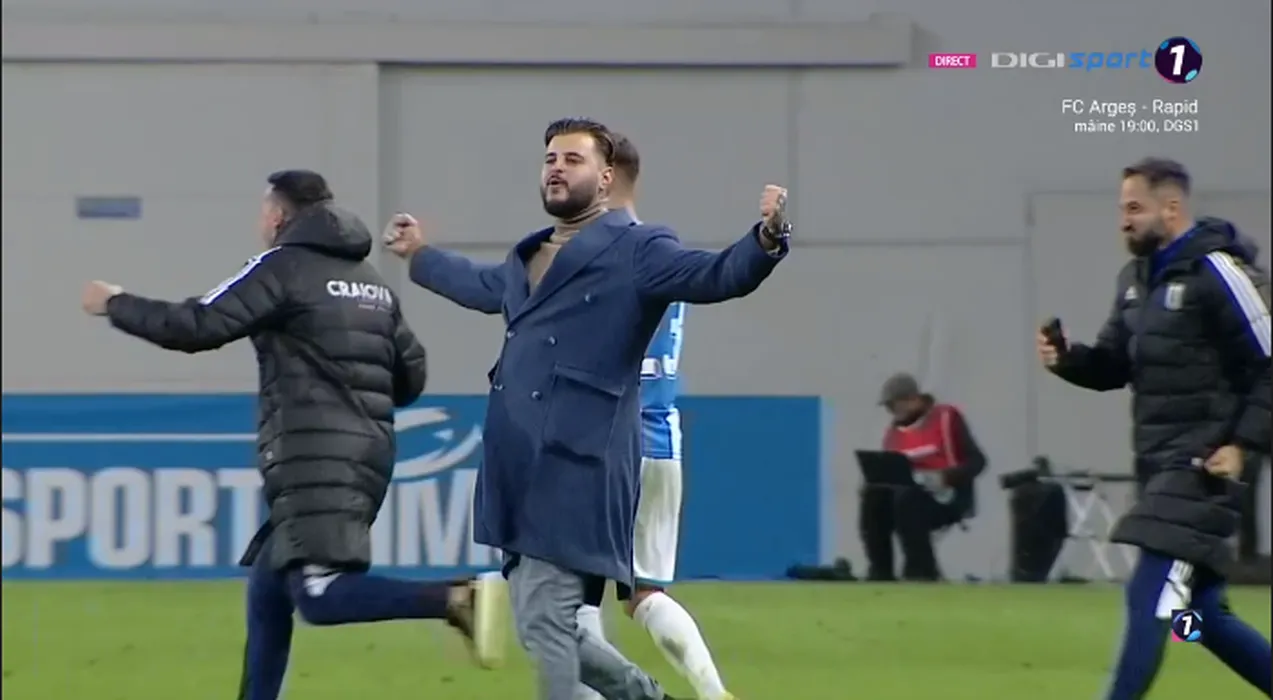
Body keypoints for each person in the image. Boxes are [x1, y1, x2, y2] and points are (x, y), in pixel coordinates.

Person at [384, 117, 789, 700]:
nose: (556, 167)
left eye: (572, 159)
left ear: (605, 178)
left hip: (581, 465)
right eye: (550, 158)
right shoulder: (531, 254)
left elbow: (716, 275)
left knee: (549, 623)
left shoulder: (639, 248)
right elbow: (479, 285)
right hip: (517, 466)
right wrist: (419, 255)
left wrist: (766, 240)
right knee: (543, 625)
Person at [78, 170, 502, 700]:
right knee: (269, 586)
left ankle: (454, 599)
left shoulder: (282, 267)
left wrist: (116, 303)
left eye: (263, 212)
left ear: (279, 216)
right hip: (368, 450)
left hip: (314, 453)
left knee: (318, 594)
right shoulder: (372, 283)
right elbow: (410, 378)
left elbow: (197, 325)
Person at [1037, 157, 1271, 699]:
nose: (1124, 220)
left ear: (1171, 208)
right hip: (1159, 464)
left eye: (1135, 208)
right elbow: (1114, 365)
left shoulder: (1221, 272)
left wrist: (1242, 445)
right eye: (1121, 209)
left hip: (1205, 467)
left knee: (1149, 596)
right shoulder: (1135, 283)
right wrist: (1068, 358)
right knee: (1202, 617)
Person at [571, 134, 735, 700]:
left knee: (573, 593)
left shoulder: (598, 259)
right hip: (662, 440)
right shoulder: (666, 255)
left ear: (606, 177)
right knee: (645, 595)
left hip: (604, 444)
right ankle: (714, 693)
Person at [860, 373, 986, 582]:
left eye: (893, 405)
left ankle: (921, 570)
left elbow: (978, 461)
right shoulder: (893, 433)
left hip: (946, 496)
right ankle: (880, 571)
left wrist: (945, 477)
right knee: (873, 498)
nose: (891, 411)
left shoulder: (946, 418)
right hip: (906, 496)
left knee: (908, 499)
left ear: (912, 399)